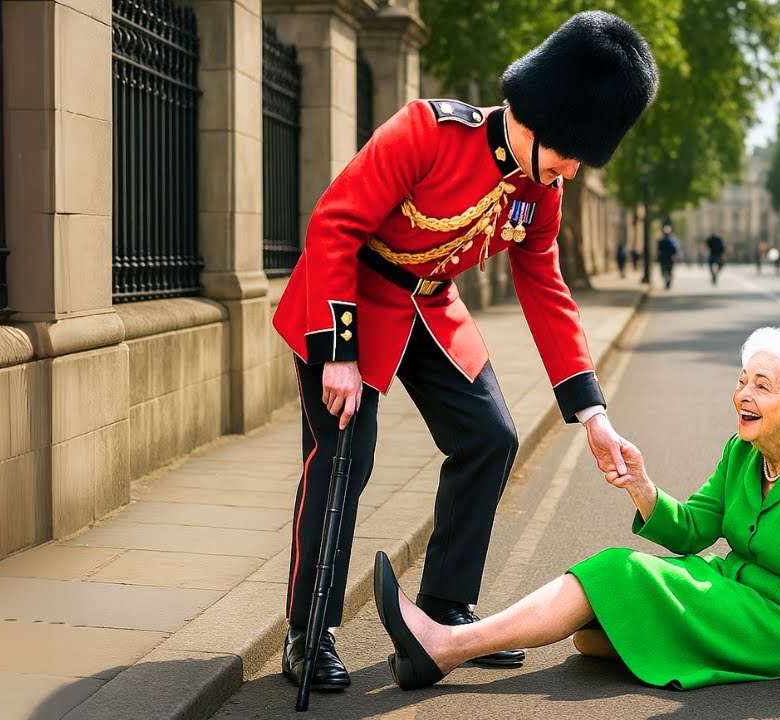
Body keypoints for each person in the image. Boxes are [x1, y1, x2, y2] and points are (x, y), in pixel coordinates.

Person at [270, 10, 658, 692]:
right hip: (350, 298)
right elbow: (334, 225)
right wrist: (337, 353)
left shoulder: (541, 189)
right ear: (538, 116)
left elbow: (545, 287)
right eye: (570, 150)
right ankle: (308, 631)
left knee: (491, 437)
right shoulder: (429, 129)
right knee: (343, 460)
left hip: (429, 302)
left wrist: (593, 416)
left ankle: (447, 614)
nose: (571, 168)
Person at [374, 327, 780, 696]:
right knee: (588, 636)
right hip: (733, 590)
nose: (741, 393)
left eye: (760, 387)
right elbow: (691, 533)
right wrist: (641, 487)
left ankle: (446, 646)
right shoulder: (742, 452)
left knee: (620, 573)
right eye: (743, 379)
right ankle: (454, 644)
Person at [657, 224, 682, 289]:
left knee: (666, 271)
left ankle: (667, 282)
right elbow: (675, 250)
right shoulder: (671, 241)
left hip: (666, 259)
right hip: (667, 259)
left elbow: (660, 250)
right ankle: (668, 282)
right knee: (667, 271)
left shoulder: (664, 241)